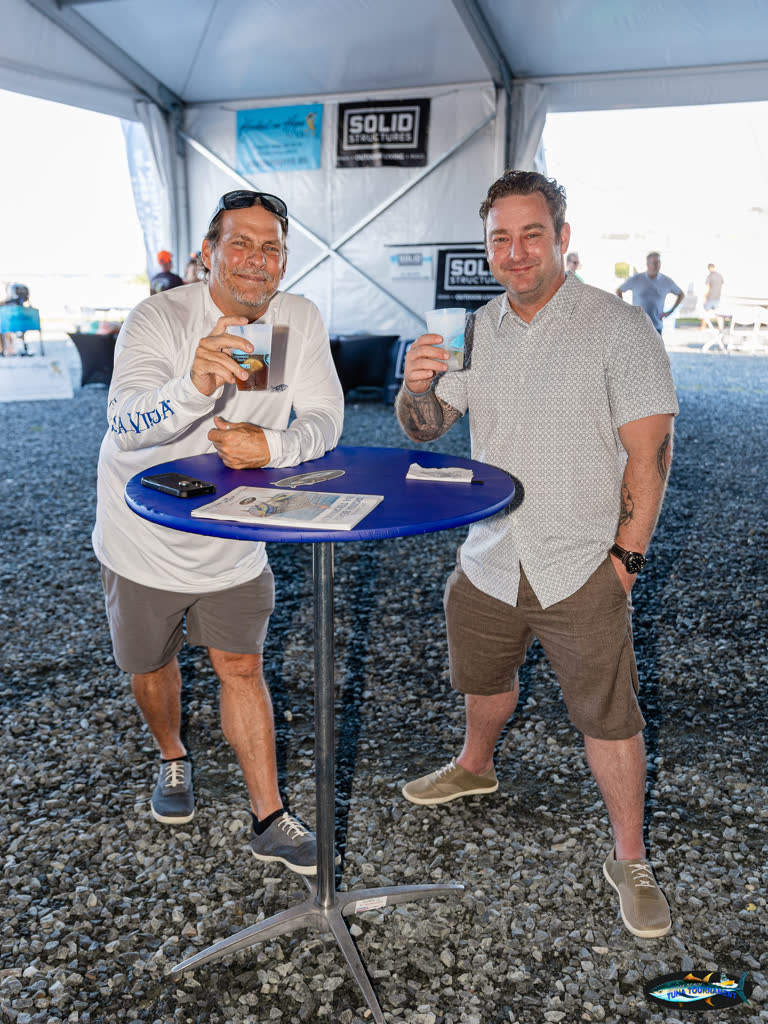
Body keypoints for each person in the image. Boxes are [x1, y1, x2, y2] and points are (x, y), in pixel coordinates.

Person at [395, 169, 678, 940]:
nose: (516, 252)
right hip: (489, 554)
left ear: (561, 238)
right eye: (501, 239)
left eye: (531, 235)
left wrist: (625, 563)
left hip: (580, 561)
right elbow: (427, 426)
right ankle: (474, 766)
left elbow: (649, 456)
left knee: (608, 716)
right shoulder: (475, 328)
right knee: (483, 678)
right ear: (487, 247)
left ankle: (630, 857)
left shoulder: (619, 326)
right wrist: (415, 384)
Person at [93, 189, 344, 875]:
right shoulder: (160, 317)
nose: (256, 260)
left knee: (242, 666)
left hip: (235, 535)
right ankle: (173, 756)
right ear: (208, 253)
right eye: (240, 243)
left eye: (271, 248)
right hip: (144, 535)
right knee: (152, 664)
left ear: (284, 260)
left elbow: (324, 418)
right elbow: (124, 422)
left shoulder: (296, 318)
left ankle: (268, 816)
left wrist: (273, 447)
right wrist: (194, 386)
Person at [616, 252, 683, 333]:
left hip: (656, 328)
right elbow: (619, 290)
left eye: (658, 262)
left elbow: (681, 294)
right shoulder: (636, 279)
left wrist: (670, 312)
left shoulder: (667, 281)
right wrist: (625, 309)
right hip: (638, 327)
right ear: (647, 264)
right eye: (654, 263)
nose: (656, 265)